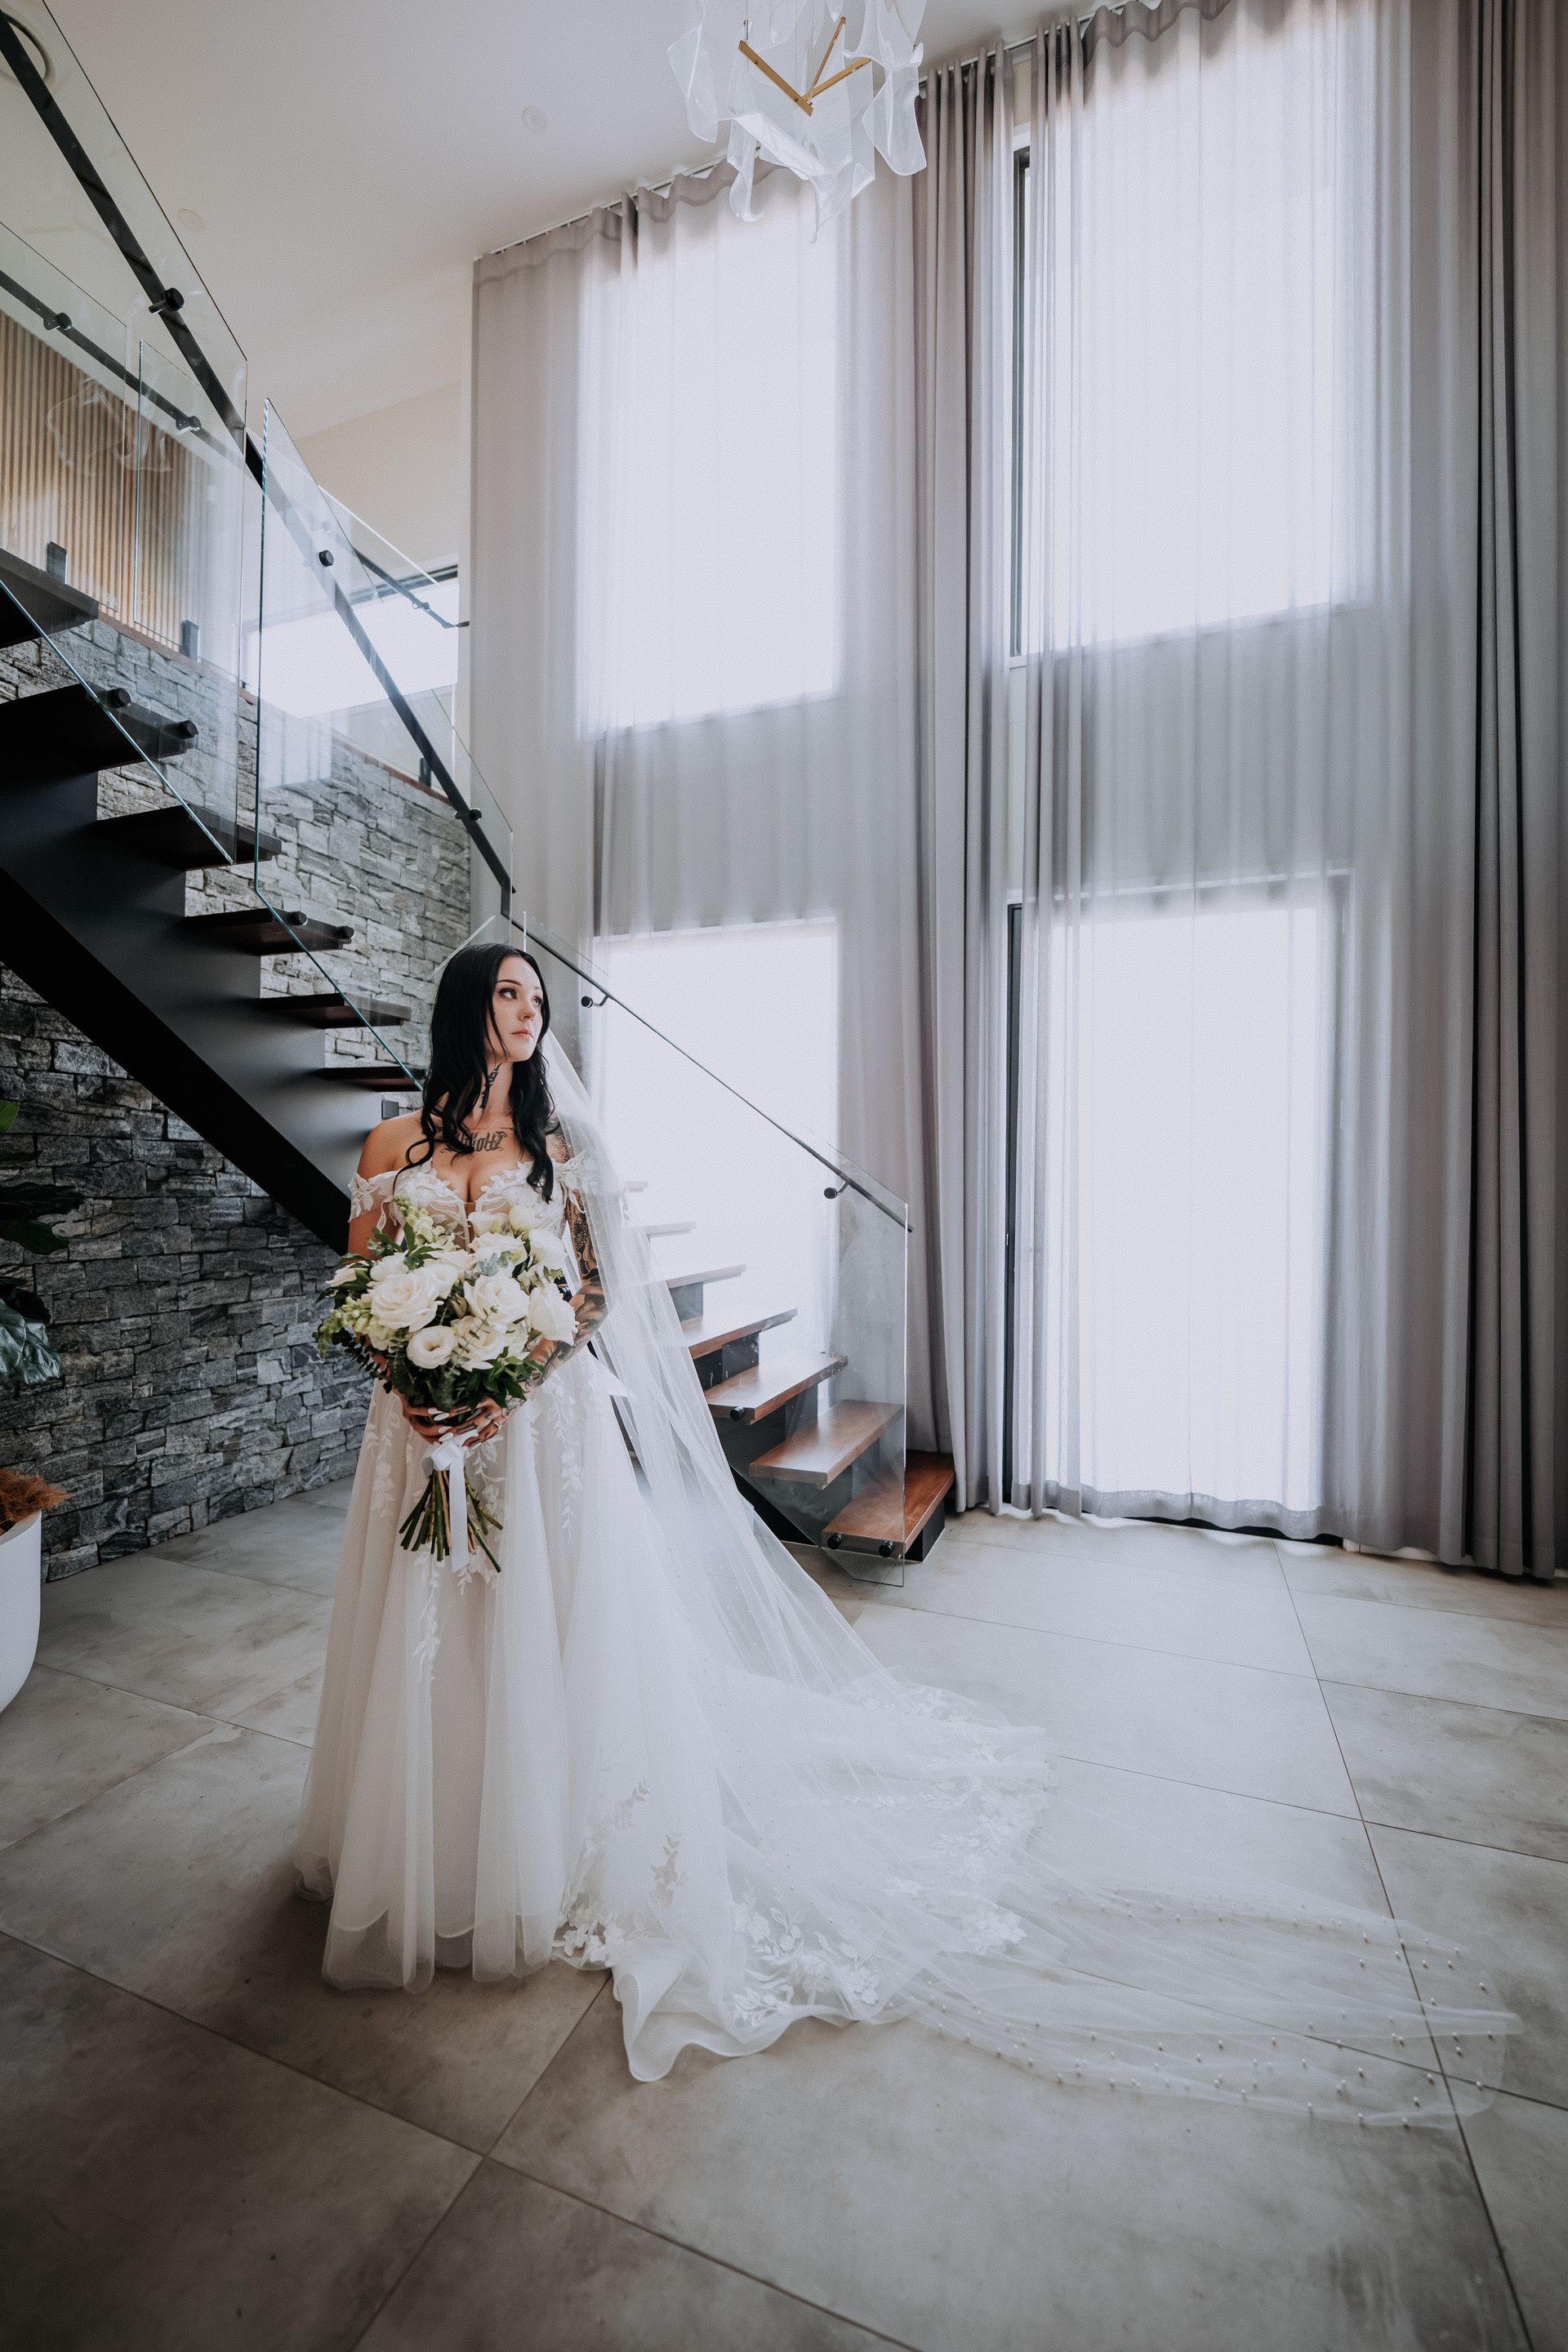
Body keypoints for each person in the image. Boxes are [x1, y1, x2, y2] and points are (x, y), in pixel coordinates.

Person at [296, 943, 1509, 2114]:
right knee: (431, 1615)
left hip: (534, 1426)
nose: (529, 1014)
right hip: (417, 1429)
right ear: (468, 1009)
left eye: (538, 997)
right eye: (509, 994)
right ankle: (427, 1829)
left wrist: (516, 1369)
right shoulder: (391, 1143)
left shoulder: (557, 1148)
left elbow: (597, 1293)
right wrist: (411, 1374)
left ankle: (538, 1827)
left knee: (539, 1619)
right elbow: (362, 1288)